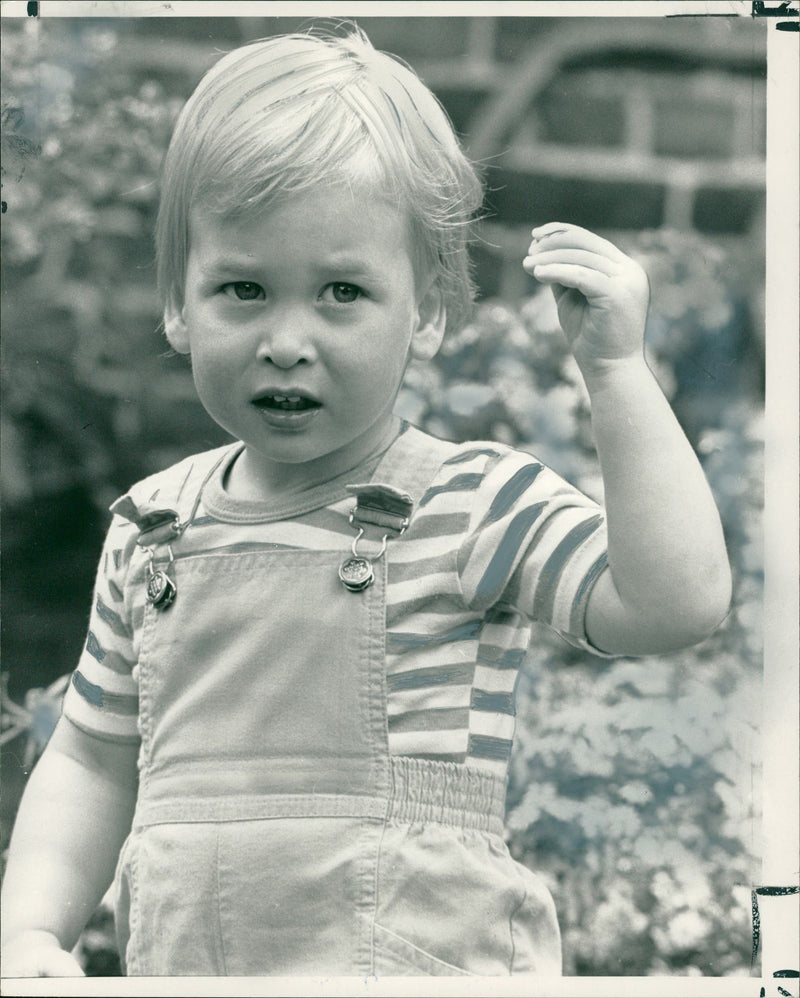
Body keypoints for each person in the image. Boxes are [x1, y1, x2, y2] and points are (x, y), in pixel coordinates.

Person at [0, 26, 732, 978]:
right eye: (243, 289)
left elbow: (675, 606)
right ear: (178, 302)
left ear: (425, 312)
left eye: (342, 291)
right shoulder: (153, 528)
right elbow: (93, 761)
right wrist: (28, 933)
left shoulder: (471, 501)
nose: (287, 340)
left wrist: (617, 372)